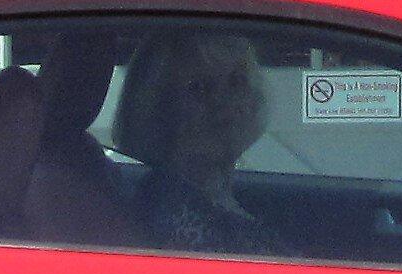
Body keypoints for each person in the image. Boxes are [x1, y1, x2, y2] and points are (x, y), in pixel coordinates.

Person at [116, 30, 282, 258]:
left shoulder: (206, 196)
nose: (224, 103)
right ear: (160, 107)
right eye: (199, 88)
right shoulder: (181, 222)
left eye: (236, 81)